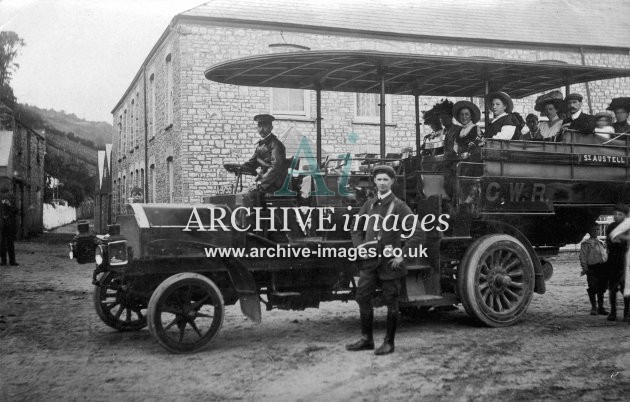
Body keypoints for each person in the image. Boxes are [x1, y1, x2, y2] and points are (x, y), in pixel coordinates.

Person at [346, 165, 423, 355]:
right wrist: (359, 247)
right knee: (362, 296)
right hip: (370, 261)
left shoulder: (399, 206)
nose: (382, 183)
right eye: (379, 179)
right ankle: (367, 339)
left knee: (391, 300)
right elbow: (356, 228)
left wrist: (402, 254)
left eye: (385, 180)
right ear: (374, 182)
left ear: (392, 182)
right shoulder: (369, 204)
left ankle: (389, 343)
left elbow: (419, 231)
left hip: (390, 263)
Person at [241, 114, 289, 208]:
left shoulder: (276, 145)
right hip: (266, 183)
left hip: (275, 184)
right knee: (242, 193)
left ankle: (254, 221)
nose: (261, 129)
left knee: (248, 196)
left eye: (265, 126)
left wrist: (261, 182)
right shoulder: (260, 146)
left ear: (271, 127)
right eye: (259, 126)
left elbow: (275, 167)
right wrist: (238, 167)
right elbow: (252, 163)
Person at [606, 204, 630, 322]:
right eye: (615, 214)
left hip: (625, 261)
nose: (616, 216)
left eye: (620, 214)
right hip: (613, 261)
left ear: (625, 216)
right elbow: (610, 241)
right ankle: (613, 312)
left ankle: (627, 313)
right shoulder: (610, 227)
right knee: (612, 288)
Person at [580, 225, 608, 315]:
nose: (595, 231)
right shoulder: (586, 244)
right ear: (589, 231)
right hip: (592, 268)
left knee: (602, 287)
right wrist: (585, 268)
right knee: (593, 286)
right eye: (593, 230)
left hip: (603, 268)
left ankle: (601, 307)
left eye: (597, 229)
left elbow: (605, 255)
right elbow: (583, 257)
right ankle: (594, 307)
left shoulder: (601, 242)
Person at [0, 188, 19, 266]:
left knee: (10, 243)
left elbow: (16, 210)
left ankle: (12, 261)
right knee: (2, 244)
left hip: (9, 224)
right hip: (1, 225)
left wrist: (9, 204)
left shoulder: (11, 201)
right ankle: (3, 261)